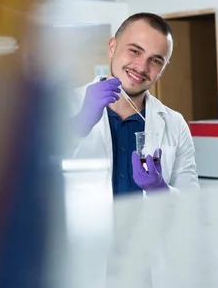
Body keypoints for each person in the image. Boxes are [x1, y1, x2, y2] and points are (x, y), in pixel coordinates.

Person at [71, 12, 199, 196]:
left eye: (155, 60)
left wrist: (160, 189)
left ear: (163, 68)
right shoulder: (63, 105)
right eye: (135, 51)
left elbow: (192, 201)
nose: (141, 67)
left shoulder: (175, 124)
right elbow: (28, 175)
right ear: (112, 47)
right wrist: (79, 124)